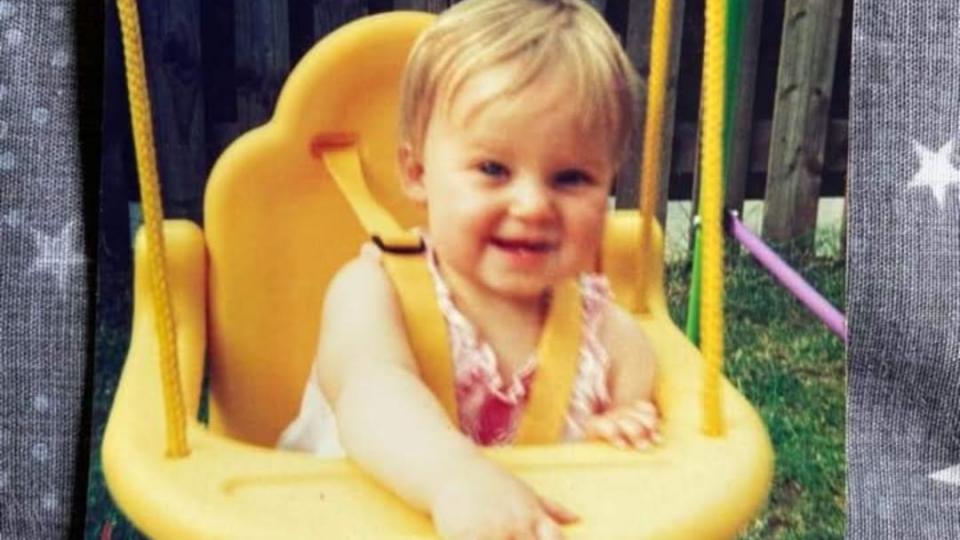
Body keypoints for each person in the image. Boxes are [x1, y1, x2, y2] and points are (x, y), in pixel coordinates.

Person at [280, 0, 660, 537]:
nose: (532, 204)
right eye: (493, 169)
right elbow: (371, 391)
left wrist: (621, 427)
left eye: (571, 177)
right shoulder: (373, 292)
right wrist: (455, 478)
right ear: (416, 173)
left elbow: (642, 445)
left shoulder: (609, 339)